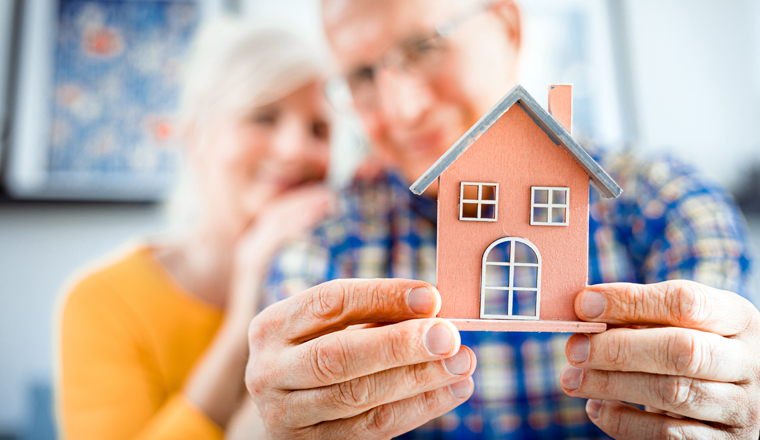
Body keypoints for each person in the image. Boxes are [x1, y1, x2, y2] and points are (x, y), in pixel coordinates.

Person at [244, 0, 760, 439]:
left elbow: (725, 386)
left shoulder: (666, 205)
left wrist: (733, 405)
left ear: (508, 28)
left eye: (424, 47)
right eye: (361, 76)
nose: (403, 110)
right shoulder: (325, 245)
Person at [56, 19, 334, 439]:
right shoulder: (100, 302)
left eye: (319, 129)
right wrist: (245, 316)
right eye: (263, 117)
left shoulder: (332, 288)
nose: (296, 149)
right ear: (194, 135)